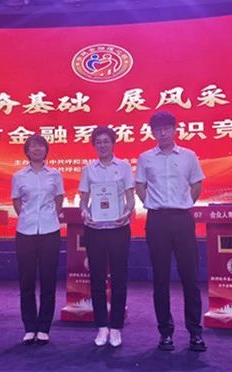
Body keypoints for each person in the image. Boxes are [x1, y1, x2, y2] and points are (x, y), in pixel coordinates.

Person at [135, 111, 207, 352]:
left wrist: (183, 204)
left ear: (175, 130)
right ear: (152, 132)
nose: (163, 133)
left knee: (190, 277)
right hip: (157, 221)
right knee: (160, 278)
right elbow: (140, 186)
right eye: (158, 129)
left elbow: (196, 185)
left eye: (167, 128)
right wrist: (151, 203)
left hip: (182, 220)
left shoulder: (189, 156)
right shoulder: (146, 158)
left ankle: (195, 333)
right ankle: (165, 333)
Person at [78, 126, 135, 348]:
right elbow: (84, 200)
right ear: (94, 145)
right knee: (97, 278)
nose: (103, 145)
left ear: (113, 143)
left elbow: (130, 198)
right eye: (99, 142)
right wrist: (85, 212)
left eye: (106, 141)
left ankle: (116, 327)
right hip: (95, 229)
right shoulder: (88, 169)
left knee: (119, 278)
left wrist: (127, 213)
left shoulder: (124, 167)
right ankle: (102, 326)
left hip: (119, 228)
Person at [11, 134, 65, 345]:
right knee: (26, 282)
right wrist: (28, 217)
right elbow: (17, 202)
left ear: (46, 150)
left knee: (48, 281)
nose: (37, 149)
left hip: (50, 231)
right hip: (25, 232)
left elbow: (59, 199)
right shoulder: (19, 176)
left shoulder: (55, 174)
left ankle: (43, 328)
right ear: (27, 151)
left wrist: (49, 216)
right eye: (33, 146)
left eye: (40, 146)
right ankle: (29, 327)